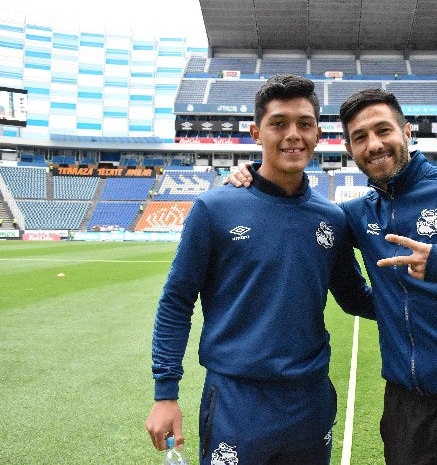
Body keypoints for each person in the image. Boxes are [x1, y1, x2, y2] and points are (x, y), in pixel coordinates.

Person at [228, 88, 437, 464]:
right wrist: (250, 176)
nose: (374, 144)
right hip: (404, 404)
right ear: (349, 150)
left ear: (406, 132)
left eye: (383, 131)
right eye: (360, 137)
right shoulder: (356, 215)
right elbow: (322, 249)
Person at [146, 74, 374, 464]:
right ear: (256, 132)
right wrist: (165, 393)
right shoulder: (214, 208)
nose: (293, 135)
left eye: (304, 124)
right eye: (279, 123)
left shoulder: (331, 219)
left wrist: (427, 294)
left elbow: (356, 298)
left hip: (309, 400)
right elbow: (176, 301)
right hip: (238, 400)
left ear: (318, 133)